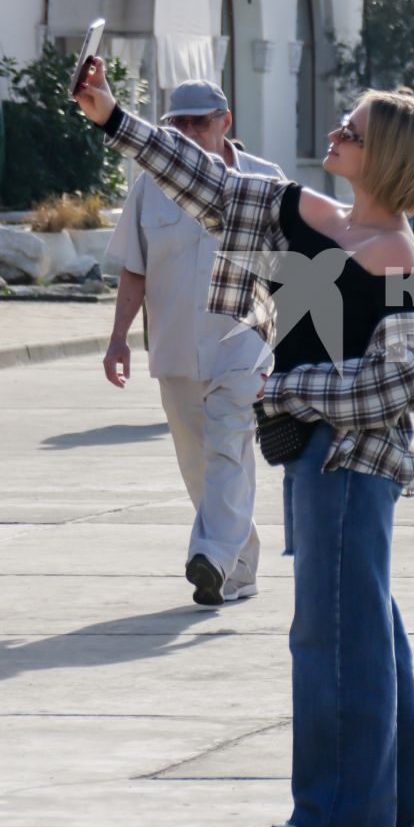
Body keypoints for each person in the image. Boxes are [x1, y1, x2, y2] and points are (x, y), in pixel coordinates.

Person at [76, 63, 414, 827]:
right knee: (365, 627)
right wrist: (113, 117)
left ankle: (337, 823)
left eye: (354, 131)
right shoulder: (312, 214)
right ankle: (400, 815)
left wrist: (291, 392)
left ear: (385, 159)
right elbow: (204, 179)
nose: (336, 134)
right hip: (325, 463)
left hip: (352, 466)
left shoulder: (392, 249)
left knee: (330, 636)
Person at [104, 79, 279, 608]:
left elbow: (292, 272)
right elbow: (135, 270)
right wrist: (118, 341)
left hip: (244, 349)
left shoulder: (266, 181)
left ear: (226, 120)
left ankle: (209, 556)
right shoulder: (149, 186)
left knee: (228, 448)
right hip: (177, 349)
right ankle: (236, 565)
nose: (186, 132)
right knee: (198, 466)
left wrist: (293, 352)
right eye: (177, 123)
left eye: (198, 122)